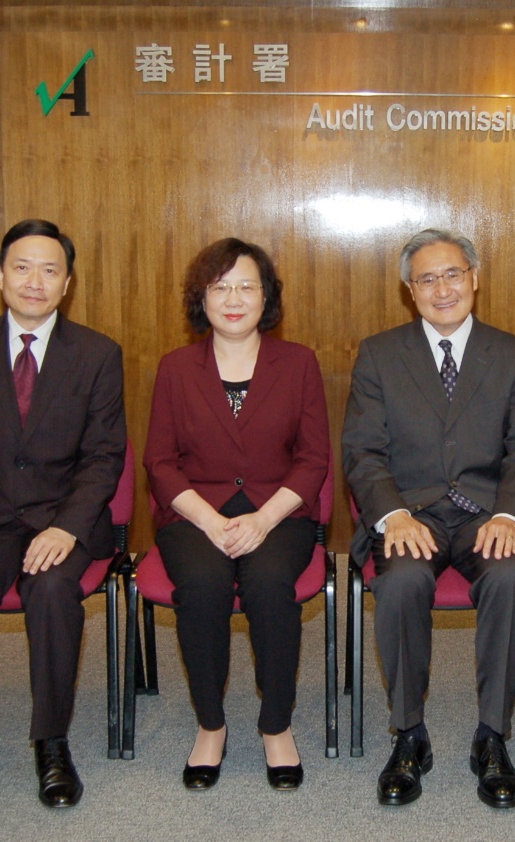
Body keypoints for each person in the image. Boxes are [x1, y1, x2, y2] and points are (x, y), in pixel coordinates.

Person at [0, 218, 126, 812]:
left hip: (61, 521)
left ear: (67, 284)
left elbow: (104, 455)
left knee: (53, 589)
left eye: (50, 270)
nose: (35, 281)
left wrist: (66, 526)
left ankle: (51, 741)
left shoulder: (96, 354)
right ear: (0, 276)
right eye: (22, 267)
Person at [342, 229, 515, 809]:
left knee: (509, 578)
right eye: (427, 278)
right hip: (413, 513)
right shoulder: (380, 354)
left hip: (488, 513)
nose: (442, 288)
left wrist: (510, 514)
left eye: (453, 274)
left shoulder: (514, 354)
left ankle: (492, 736)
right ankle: (409, 734)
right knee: (403, 580)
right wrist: (392, 515)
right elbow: (362, 451)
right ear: (410, 291)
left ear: (475, 279)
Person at [143, 238, 329, 791]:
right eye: (220, 286)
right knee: (201, 585)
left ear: (266, 296)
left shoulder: (298, 364)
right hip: (195, 513)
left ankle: (276, 725)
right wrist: (210, 520)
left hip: (280, 513)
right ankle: (211, 725)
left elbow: (314, 457)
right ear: (201, 298)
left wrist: (263, 520)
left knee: (271, 584)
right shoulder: (176, 369)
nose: (233, 298)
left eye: (247, 286)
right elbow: (159, 461)